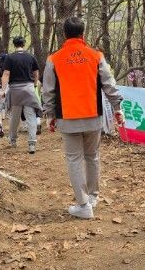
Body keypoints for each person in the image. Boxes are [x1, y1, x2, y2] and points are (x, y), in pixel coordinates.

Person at [42, 17, 124, 219]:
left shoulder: (54, 59)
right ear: (82, 34)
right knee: (92, 156)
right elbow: (109, 84)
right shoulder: (96, 55)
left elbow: (48, 91)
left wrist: (50, 115)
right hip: (92, 116)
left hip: (67, 117)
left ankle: (83, 204)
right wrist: (117, 108)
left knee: (74, 159)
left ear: (64, 34)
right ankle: (93, 197)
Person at [0, 36, 42, 154]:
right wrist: (34, 85)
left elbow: (6, 74)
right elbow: (36, 73)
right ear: (24, 44)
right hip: (28, 89)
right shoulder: (31, 56)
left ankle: (13, 140)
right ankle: (32, 143)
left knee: (14, 117)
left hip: (15, 90)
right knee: (31, 117)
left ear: (14, 44)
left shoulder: (10, 57)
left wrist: (3, 90)